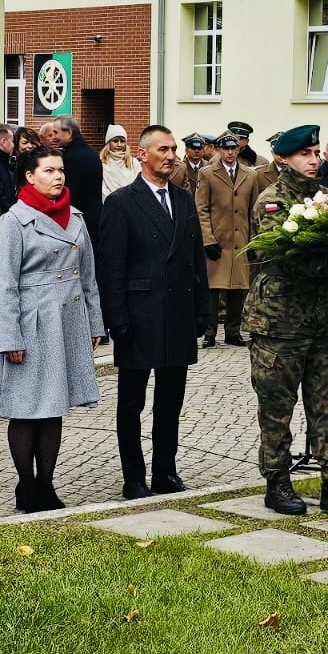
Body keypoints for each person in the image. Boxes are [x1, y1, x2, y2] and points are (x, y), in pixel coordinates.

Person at [244, 124, 328, 516]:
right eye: (305, 154)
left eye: (316, 153)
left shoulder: (327, 199)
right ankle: (278, 481)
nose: (314, 160)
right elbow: (290, 258)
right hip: (279, 323)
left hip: (320, 320)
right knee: (277, 405)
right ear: (283, 159)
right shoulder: (272, 202)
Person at [0, 145, 105, 512]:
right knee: (26, 407)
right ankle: (26, 485)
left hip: (67, 320)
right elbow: (3, 285)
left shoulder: (77, 218)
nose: (58, 177)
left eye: (61, 170)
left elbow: (88, 277)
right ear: (30, 176)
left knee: (54, 407)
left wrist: (94, 322)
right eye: (50, 171)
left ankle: (46, 485)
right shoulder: (13, 221)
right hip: (30, 322)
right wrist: (9, 336)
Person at [97, 125, 209, 499]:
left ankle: (166, 471)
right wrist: (117, 320)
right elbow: (111, 268)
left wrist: (201, 312)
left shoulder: (183, 199)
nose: (171, 155)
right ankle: (133, 477)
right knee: (131, 404)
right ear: (142, 154)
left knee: (170, 403)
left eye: (173, 149)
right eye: (163, 149)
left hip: (177, 314)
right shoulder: (121, 202)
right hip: (138, 317)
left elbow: (195, 261)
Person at [196, 132, 262, 347]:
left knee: (238, 288)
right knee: (213, 288)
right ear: (219, 150)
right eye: (226, 149)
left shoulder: (250, 175)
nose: (230, 152)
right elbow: (201, 209)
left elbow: (255, 210)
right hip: (218, 238)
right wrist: (207, 239)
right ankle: (210, 332)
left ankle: (233, 332)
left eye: (234, 148)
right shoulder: (207, 174)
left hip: (241, 239)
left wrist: (254, 241)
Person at [52, 116, 104, 236]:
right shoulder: (90, 152)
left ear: (69, 133)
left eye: (56, 132)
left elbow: (69, 194)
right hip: (92, 219)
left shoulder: (72, 158)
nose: (53, 137)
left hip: (79, 222)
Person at [99, 123, 140, 195]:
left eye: (122, 141)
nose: (119, 144)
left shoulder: (133, 162)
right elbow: (102, 188)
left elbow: (140, 184)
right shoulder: (101, 163)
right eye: (115, 141)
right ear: (109, 143)